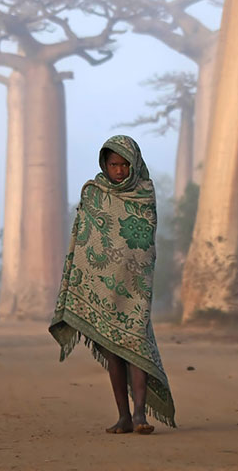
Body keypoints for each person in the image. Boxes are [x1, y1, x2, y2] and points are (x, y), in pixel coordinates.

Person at [49, 135, 176, 434]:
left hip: (135, 286)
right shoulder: (93, 193)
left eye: (124, 165)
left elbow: (144, 239)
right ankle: (123, 416)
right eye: (113, 164)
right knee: (113, 353)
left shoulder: (144, 192)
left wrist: (128, 262)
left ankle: (140, 415)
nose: (119, 171)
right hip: (101, 287)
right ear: (104, 165)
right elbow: (82, 239)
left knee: (137, 345)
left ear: (134, 165)